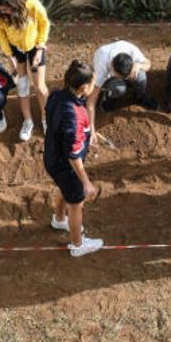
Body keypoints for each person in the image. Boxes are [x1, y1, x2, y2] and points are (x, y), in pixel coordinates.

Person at [44, 61, 103, 257]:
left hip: (51, 157)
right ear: (84, 88)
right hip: (66, 166)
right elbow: (73, 155)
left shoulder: (56, 96)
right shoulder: (74, 115)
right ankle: (78, 245)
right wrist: (86, 183)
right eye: (93, 83)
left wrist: (87, 134)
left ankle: (59, 219)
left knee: (65, 189)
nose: (94, 86)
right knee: (76, 203)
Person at [0, 0, 51, 142]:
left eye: (5, 9)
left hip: (34, 47)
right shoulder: (0, 15)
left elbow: (44, 24)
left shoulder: (32, 5)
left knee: (39, 86)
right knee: (22, 85)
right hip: (16, 49)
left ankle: (47, 119)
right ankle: (28, 121)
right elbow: (1, 33)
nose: (2, 12)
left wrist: (39, 49)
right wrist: (9, 55)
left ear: (14, 3)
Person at [89, 40, 157, 122]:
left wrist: (139, 65)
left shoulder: (130, 50)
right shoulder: (101, 67)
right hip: (109, 78)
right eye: (120, 76)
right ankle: (109, 100)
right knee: (119, 88)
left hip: (126, 70)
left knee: (141, 76)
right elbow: (92, 99)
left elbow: (148, 64)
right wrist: (91, 127)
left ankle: (139, 97)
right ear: (113, 69)